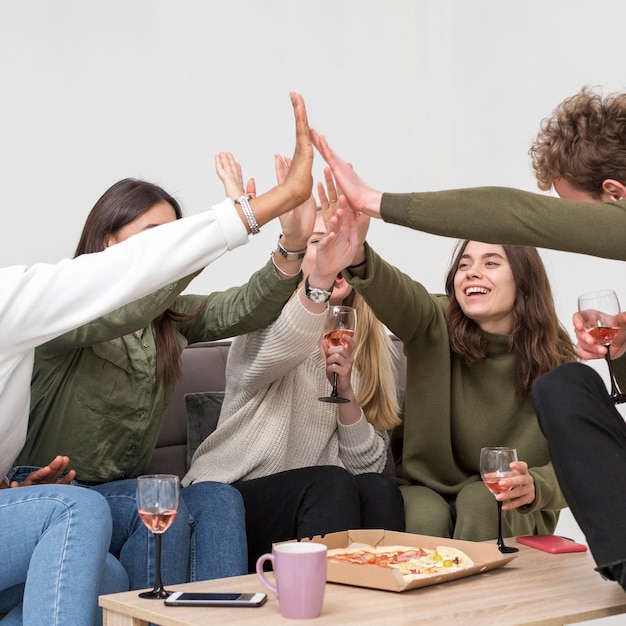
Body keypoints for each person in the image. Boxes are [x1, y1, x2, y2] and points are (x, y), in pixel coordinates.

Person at [0, 90, 313, 623]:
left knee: (214, 497)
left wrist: (291, 246)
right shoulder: (61, 317)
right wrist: (237, 222)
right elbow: (128, 297)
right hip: (62, 491)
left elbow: (243, 308)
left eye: (174, 239)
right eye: (154, 240)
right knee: (156, 508)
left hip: (122, 491)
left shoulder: (169, 319)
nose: (163, 252)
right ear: (106, 246)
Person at [311, 87, 626, 587]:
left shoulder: (557, 358)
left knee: (485, 499)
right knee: (425, 516)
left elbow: (577, 460)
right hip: (426, 487)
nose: (471, 272)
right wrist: (358, 254)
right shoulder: (434, 322)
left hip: (501, 500)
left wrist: (538, 487)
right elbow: (399, 294)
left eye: (492, 261)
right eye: (464, 263)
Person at [183, 157, 405, 571]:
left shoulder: (360, 342)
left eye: (342, 242)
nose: (333, 253)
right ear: (300, 256)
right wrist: (317, 281)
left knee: (378, 490)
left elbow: (369, 465)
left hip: (317, 499)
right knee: (330, 482)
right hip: (232, 495)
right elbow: (284, 344)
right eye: (318, 242)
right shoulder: (263, 320)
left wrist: (346, 395)